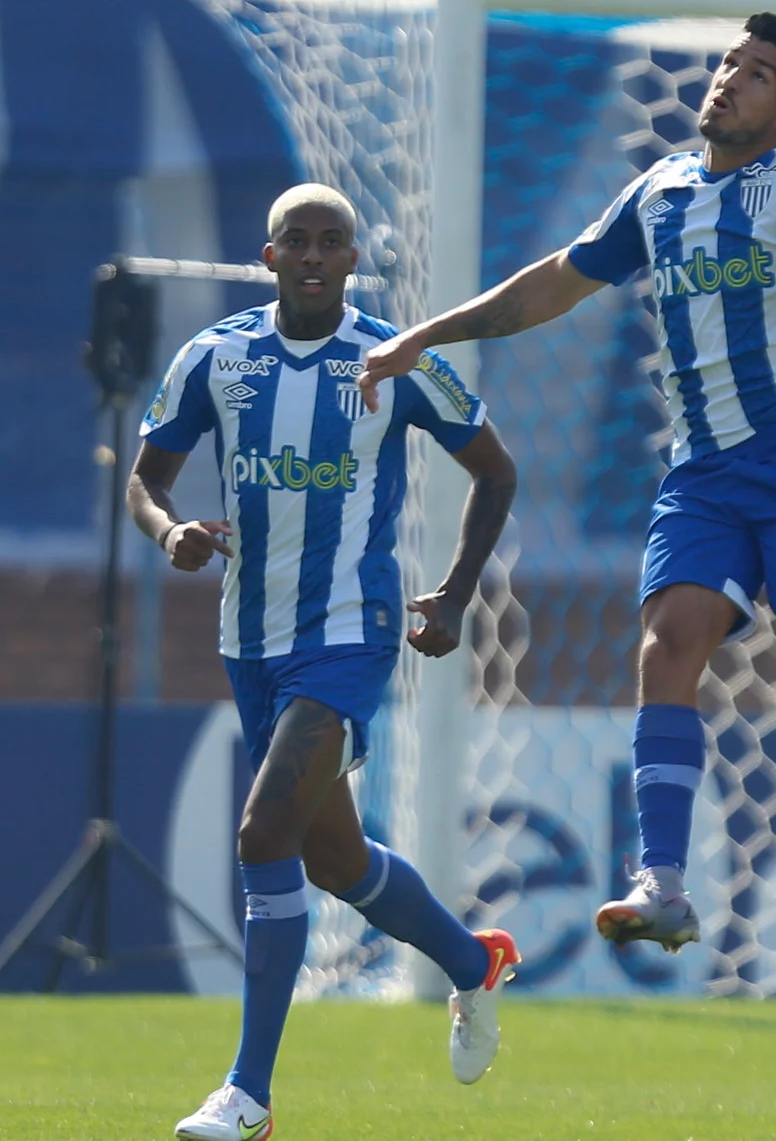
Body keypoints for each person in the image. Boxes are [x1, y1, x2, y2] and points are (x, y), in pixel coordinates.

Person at [361, 13, 776, 999]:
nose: (730, 80)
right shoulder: (659, 192)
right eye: (729, 63)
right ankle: (664, 882)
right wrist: (428, 334)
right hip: (699, 472)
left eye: (758, 72)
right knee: (666, 640)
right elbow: (550, 284)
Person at [132, 183, 524, 1141]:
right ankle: (475, 965)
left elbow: (495, 469)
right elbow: (147, 476)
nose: (312, 255)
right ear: (268, 257)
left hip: (352, 628)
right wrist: (170, 530)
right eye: (295, 240)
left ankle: (248, 1096)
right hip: (250, 635)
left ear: (354, 260)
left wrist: (458, 587)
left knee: (264, 833)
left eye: (331, 241)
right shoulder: (217, 357)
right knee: (333, 856)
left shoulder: (391, 360)